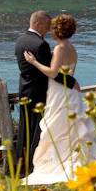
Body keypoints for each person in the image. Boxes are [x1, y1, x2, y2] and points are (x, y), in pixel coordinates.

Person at [21, 13, 96, 185]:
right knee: (70, 129)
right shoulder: (72, 48)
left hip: (59, 93)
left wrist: (34, 61)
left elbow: (52, 73)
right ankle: (73, 159)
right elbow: (69, 73)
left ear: (57, 31)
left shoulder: (59, 49)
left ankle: (60, 163)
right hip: (70, 93)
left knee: (57, 128)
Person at [12, 11, 78, 177]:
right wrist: (72, 83)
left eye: (52, 28)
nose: (49, 30)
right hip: (43, 92)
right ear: (38, 24)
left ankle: (22, 167)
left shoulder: (20, 41)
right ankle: (36, 165)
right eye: (48, 26)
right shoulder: (42, 45)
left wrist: (33, 63)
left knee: (27, 129)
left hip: (25, 90)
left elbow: (35, 71)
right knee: (42, 131)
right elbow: (52, 73)